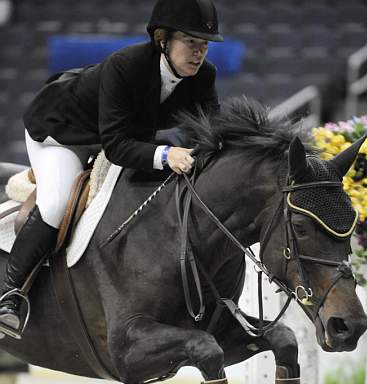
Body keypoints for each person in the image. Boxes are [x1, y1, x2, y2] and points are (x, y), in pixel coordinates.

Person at [0, 0, 223, 338]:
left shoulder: (204, 76)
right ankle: (9, 297)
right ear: (162, 40)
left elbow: (211, 132)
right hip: (62, 134)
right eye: (191, 42)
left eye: (204, 44)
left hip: (114, 137)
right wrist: (166, 155)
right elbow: (118, 146)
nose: (199, 53)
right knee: (58, 201)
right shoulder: (126, 65)